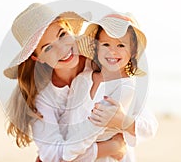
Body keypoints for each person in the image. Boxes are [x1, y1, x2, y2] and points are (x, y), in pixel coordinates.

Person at [3, 3, 127, 162]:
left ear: (69, 29)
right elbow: (52, 157)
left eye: (62, 35)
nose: (62, 49)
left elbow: (135, 110)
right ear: (38, 58)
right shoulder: (43, 97)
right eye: (48, 48)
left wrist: (124, 122)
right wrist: (111, 147)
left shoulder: (103, 64)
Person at [62, 13, 157, 162]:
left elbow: (92, 128)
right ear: (96, 47)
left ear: (132, 51)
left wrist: (66, 154)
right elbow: (67, 118)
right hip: (77, 151)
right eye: (106, 44)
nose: (112, 51)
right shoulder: (82, 79)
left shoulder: (126, 87)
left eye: (121, 45)